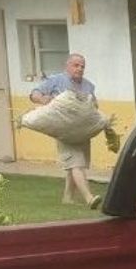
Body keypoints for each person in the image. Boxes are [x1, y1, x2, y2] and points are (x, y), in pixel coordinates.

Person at [29, 53, 102, 208]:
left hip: (82, 132)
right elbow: (34, 94)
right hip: (65, 131)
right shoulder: (56, 80)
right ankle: (89, 198)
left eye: (82, 66)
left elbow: (94, 105)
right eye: (76, 65)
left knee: (73, 165)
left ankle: (67, 198)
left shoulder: (88, 86)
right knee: (76, 164)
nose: (80, 69)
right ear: (67, 66)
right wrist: (43, 100)